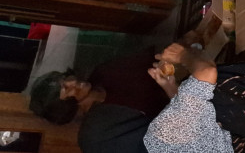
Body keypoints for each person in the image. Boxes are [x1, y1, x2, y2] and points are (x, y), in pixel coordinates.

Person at [143, 43, 245, 153]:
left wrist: (170, 86)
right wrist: (182, 54)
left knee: (196, 98)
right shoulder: (159, 139)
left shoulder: (161, 142)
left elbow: (189, 121)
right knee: (214, 88)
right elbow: (206, 72)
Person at [28, 50, 172, 153]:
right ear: (62, 107)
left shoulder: (105, 72)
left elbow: (160, 59)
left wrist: (172, 58)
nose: (73, 81)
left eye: (65, 78)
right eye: (66, 88)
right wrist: (173, 91)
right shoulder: (96, 137)